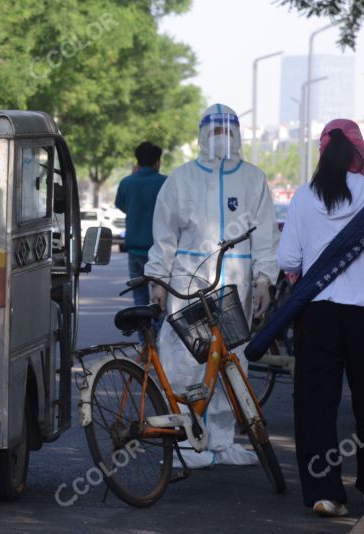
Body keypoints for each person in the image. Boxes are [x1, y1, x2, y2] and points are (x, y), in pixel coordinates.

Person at [278, 119, 364, 517]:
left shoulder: (303, 195)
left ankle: (325, 493)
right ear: (360, 151)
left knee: (316, 402)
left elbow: (288, 260)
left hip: (318, 313)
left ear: (323, 153)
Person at [145, 103, 280, 468]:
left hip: (236, 282)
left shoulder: (253, 179)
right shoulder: (182, 178)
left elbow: (266, 236)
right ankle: (186, 441)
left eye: (228, 132)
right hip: (187, 281)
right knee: (186, 360)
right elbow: (164, 235)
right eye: (216, 132)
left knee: (229, 362)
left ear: (238, 135)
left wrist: (265, 279)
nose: (222, 139)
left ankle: (221, 441)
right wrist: (157, 277)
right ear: (203, 136)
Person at [115, 141, 167, 315]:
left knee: (139, 299)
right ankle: (159, 340)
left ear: (137, 162)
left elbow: (121, 205)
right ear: (157, 162)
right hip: (159, 252)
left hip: (134, 249)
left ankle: (144, 340)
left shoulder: (127, 183)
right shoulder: (165, 183)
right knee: (160, 300)